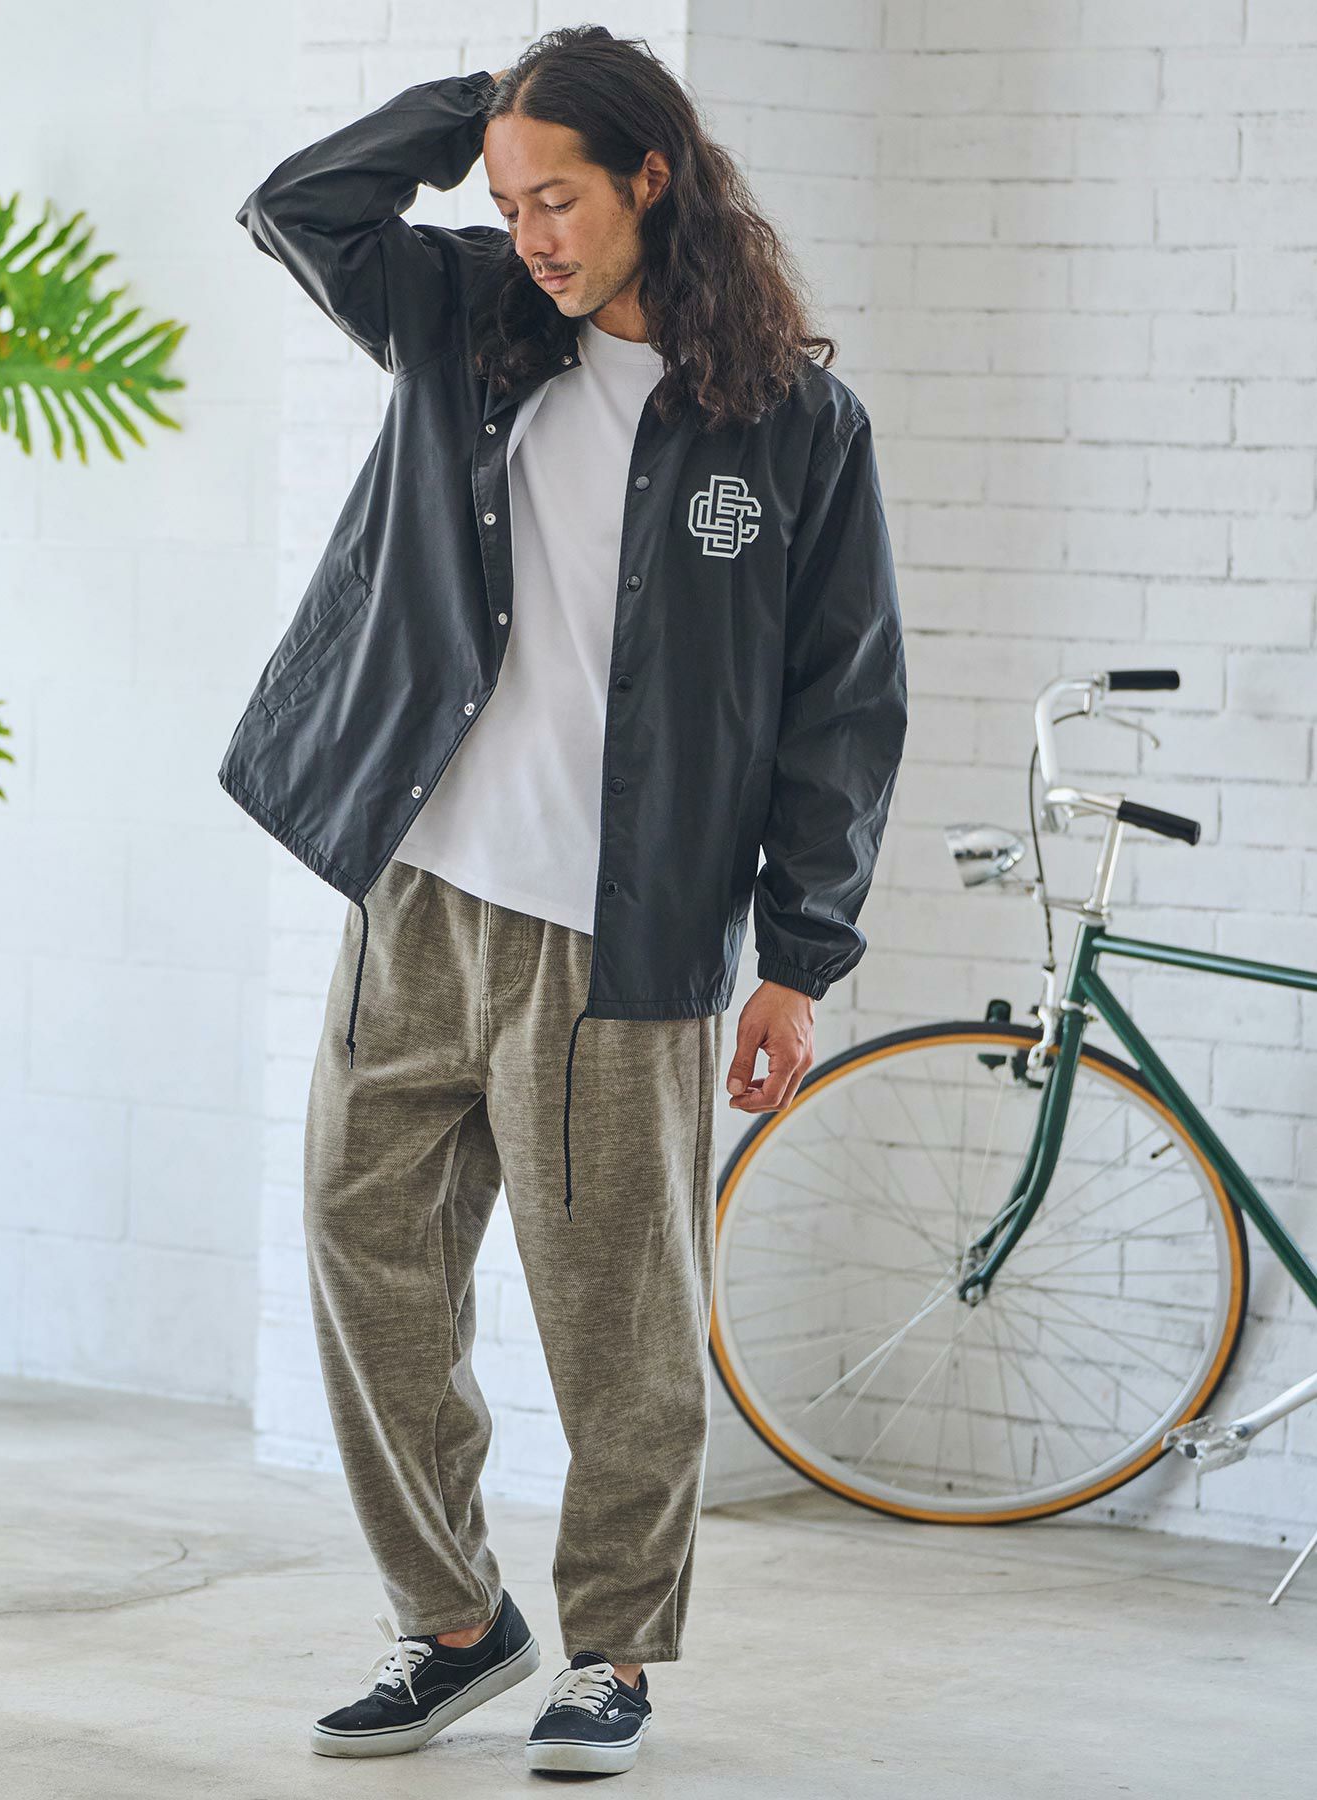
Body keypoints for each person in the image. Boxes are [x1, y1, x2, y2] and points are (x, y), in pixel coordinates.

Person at [219, 22, 907, 1778]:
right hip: (418, 895)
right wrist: (484, 111)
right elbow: (298, 207)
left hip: (625, 940)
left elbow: (844, 708)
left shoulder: (793, 424)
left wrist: (801, 957)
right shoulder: (464, 318)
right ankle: (455, 1623)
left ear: (652, 180)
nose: (528, 230)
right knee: (364, 1259)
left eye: (561, 197)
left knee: (618, 1326)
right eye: (510, 197)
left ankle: (612, 1655)